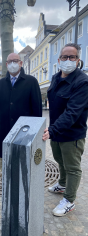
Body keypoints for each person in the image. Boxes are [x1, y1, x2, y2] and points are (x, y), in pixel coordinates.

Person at [42, 43, 88, 217]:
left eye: (72, 57)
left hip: (72, 134)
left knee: (72, 167)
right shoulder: (55, 77)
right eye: (65, 57)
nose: (68, 60)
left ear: (78, 60)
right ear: (59, 59)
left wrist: (52, 130)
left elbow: (72, 113)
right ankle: (62, 184)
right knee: (59, 160)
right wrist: (52, 129)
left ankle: (69, 200)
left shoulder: (82, 82)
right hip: (57, 131)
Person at [0, 53, 42, 161]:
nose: (12, 64)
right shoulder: (1, 83)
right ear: (6, 64)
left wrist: (36, 131)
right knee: (6, 157)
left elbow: (37, 108)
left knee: (23, 159)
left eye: (15, 61)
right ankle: (5, 175)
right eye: (10, 62)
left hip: (24, 130)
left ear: (20, 63)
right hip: (5, 128)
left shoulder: (31, 82)